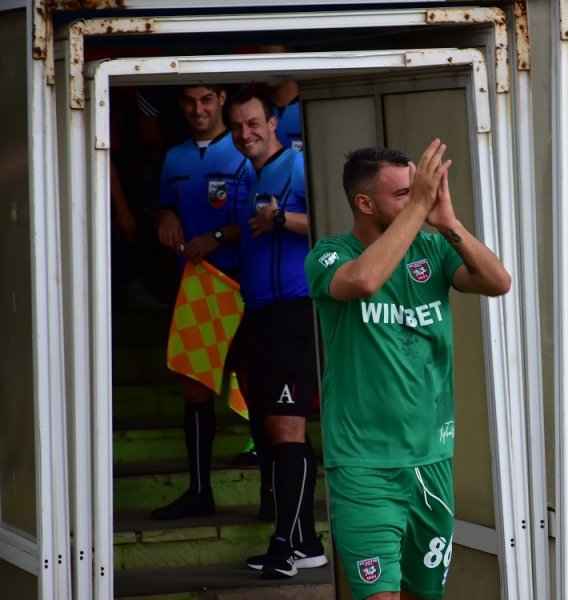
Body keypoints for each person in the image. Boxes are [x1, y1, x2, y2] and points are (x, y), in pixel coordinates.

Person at [304, 140, 511, 599]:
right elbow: (364, 280)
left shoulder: (433, 250)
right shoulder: (329, 254)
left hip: (430, 461)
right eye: (403, 193)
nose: (419, 199)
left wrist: (449, 222)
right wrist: (419, 207)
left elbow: (498, 282)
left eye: (417, 190)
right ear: (364, 203)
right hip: (363, 467)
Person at [224, 87, 327, 579]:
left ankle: (284, 546)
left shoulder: (299, 166)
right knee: (269, 430)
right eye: (236, 126)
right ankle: (306, 542)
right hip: (259, 315)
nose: (245, 133)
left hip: (295, 314)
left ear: (272, 122)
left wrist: (281, 217)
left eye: (253, 123)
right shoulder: (249, 175)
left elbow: (334, 225)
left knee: (288, 429)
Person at [151, 83, 251, 520]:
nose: (198, 109)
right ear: (180, 104)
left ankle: (273, 496)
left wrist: (216, 237)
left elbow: (260, 216)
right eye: (190, 101)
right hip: (196, 285)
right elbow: (164, 205)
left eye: (207, 99)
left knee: (255, 384)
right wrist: (166, 215)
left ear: (222, 99)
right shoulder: (174, 157)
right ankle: (199, 491)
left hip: (243, 283)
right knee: (194, 385)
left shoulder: (245, 149)